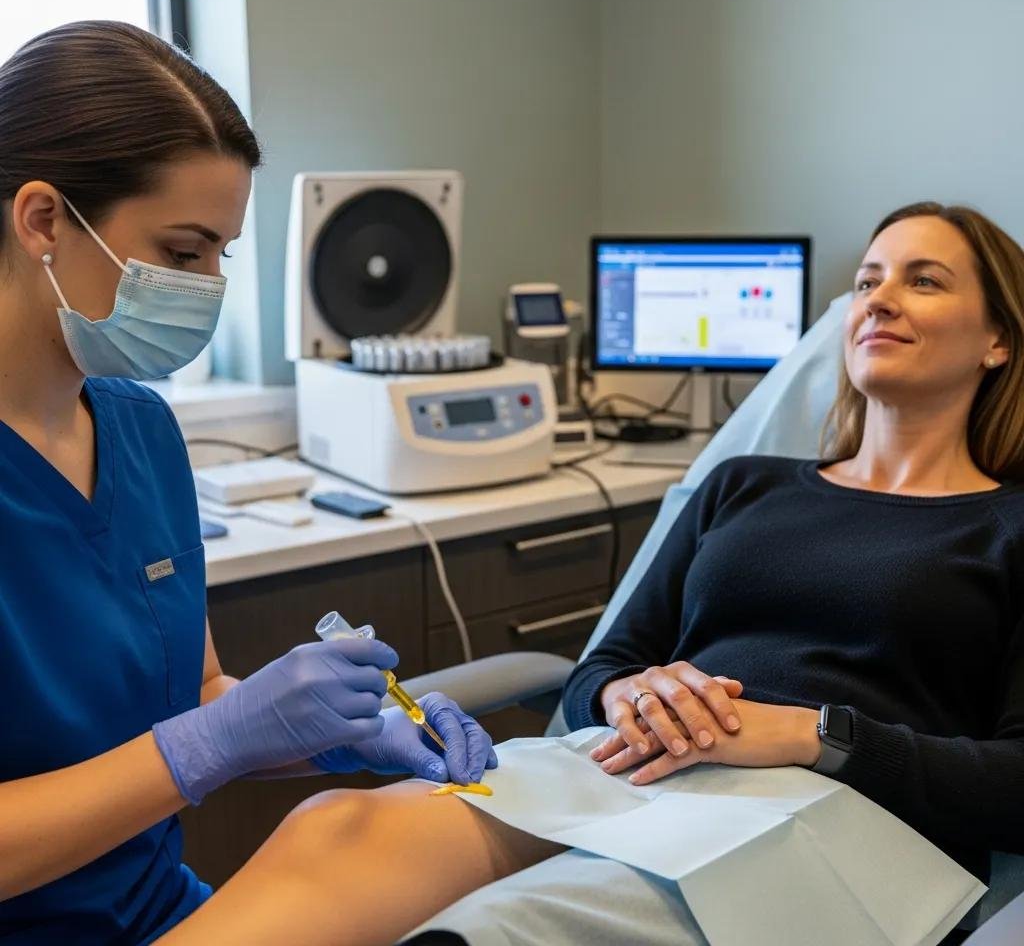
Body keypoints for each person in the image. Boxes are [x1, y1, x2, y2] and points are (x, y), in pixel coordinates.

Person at [148, 200, 1024, 946]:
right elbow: (604, 666)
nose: (877, 300)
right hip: (636, 766)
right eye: (867, 281)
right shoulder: (743, 485)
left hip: (835, 808)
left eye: (924, 280)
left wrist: (812, 734)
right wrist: (627, 692)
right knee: (336, 828)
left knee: (505, 927)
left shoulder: (1009, 526)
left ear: (996, 340)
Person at [0, 20, 497, 946]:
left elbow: (195, 698)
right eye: (183, 252)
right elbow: (192, 743)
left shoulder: (141, 430)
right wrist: (207, 746)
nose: (207, 286)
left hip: (161, 913)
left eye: (221, 254)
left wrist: (328, 734)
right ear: (43, 221)